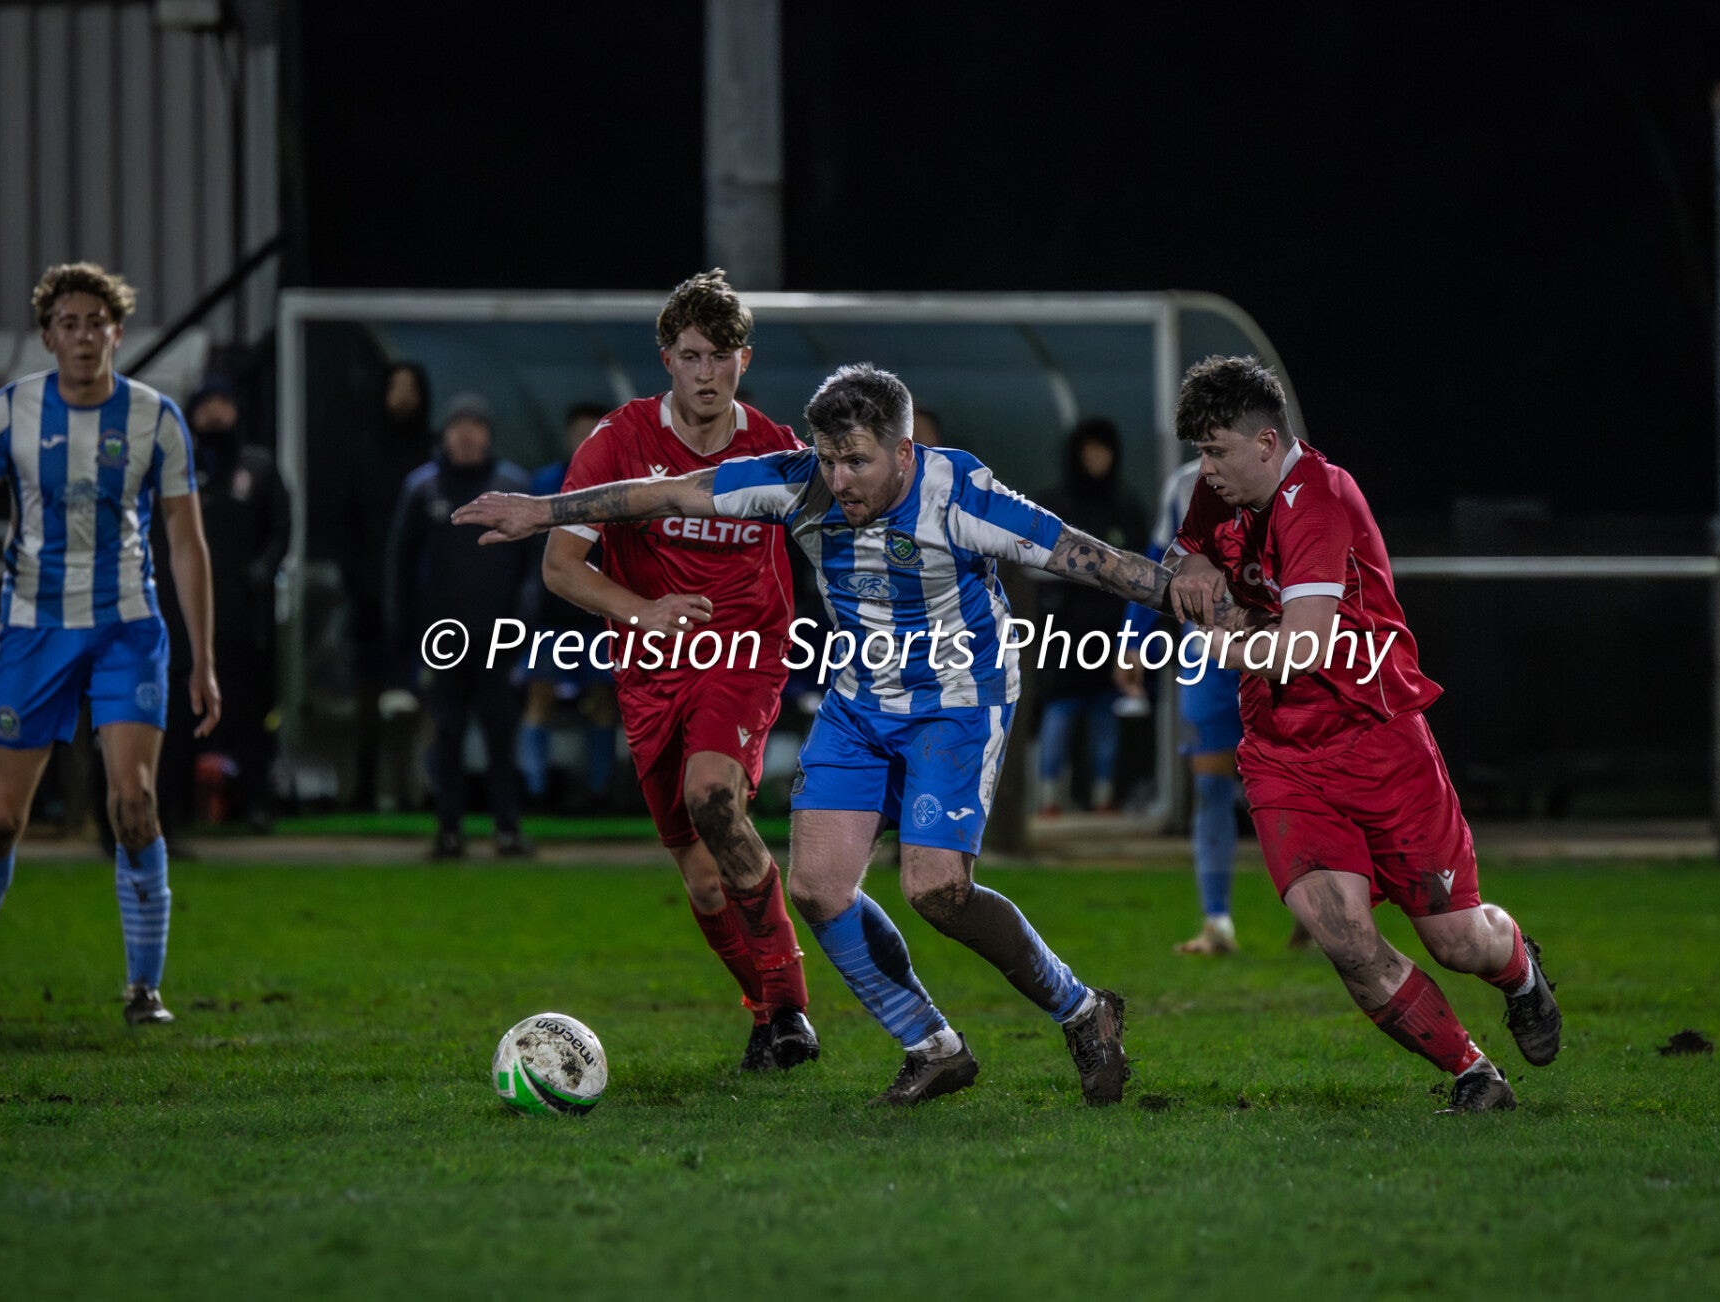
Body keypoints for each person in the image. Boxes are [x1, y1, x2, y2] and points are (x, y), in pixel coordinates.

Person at [457, 363, 1210, 1107]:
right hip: (859, 700)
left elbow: (1086, 555)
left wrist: (1182, 593)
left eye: (858, 460)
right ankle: (933, 1046)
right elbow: (666, 492)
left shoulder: (960, 495)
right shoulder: (795, 483)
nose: (840, 478)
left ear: (904, 453)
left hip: (956, 701)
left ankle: (1083, 1012)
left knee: (937, 891)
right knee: (817, 888)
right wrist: (543, 511)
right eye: (829, 457)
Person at [1164, 355, 1562, 1114]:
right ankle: (1473, 1073)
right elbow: (1188, 553)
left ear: (1267, 442)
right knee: (1338, 931)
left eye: (1216, 452)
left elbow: (1304, 647)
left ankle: (1519, 972)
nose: (1205, 470)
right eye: (1200, 454)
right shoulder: (1223, 491)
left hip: (1379, 743)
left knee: (1457, 941)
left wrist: (1224, 640)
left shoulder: (1319, 499)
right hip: (1282, 750)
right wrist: (1191, 567)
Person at [538, 272, 818, 1073]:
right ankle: (767, 1012)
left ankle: (792, 1010)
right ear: (667, 359)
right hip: (652, 666)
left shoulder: (772, 447)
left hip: (745, 650)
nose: (707, 372)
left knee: (712, 799)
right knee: (700, 877)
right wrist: (644, 610)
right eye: (692, 355)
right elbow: (561, 568)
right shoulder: (618, 443)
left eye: (722, 355)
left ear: (744, 360)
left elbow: (833, 542)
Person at [0, 262, 221, 1026]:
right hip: (33, 631)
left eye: (95, 323)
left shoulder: (154, 417)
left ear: (116, 334)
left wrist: (203, 657)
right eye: (67, 324)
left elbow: (186, 542)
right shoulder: (11, 412)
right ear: (47, 337)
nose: (82, 336)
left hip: (127, 631)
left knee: (133, 802)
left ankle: (144, 989)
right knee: (2, 819)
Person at [386, 394, 534, 859]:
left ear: (489, 435)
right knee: (446, 733)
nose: (467, 436)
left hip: (499, 636)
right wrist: (403, 632)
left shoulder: (512, 486)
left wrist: (525, 626)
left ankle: (507, 829)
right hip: (442, 638)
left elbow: (534, 566)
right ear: (444, 434)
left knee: (501, 734)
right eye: (458, 426)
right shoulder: (423, 488)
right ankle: (449, 830)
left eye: (475, 426)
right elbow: (399, 565)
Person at [1116, 455, 1246, 953]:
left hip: (1280, 652)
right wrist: (1131, 639)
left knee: (1297, 785)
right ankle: (1218, 922)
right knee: (1211, 786)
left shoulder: (1292, 476)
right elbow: (1156, 565)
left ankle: (1323, 910)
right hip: (1208, 656)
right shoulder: (1185, 484)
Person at [156, 376, 290, 834]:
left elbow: (281, 530)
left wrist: (259, 575)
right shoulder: (175, 466)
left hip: (241, 615)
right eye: (206, 405)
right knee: (178, 715)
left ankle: (256, 805)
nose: (215, 413)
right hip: (181, 617)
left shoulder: (258, 466)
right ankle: (174, 811)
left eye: (223, 403)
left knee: (251, 713)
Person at [1035, 418, 1147, 814]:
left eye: (1103, 450)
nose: (1096, 459)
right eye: (1089, 450)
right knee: (1059, 713)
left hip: (1112, 634)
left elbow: (1143, 571)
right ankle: (1049, 798)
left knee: (1106, 715)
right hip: (1062, 634)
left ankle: (1104, 795)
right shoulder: (1054, 506)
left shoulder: (1126, 507)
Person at [517, 402, 616, 810]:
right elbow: (527, 558)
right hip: (550, 619)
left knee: (603, 702)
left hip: (602, 620)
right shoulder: (544, 483)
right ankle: (533, 790)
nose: (586, 441)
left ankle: (599, 792)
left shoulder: (626, 487)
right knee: (538, 698)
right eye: (580, 432)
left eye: (595, 433)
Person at [347, 361, 436, 811]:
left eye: (410, 387)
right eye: (394, 386)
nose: (402, 396)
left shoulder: (432, 456)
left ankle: (416, 788)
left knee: (421, 696)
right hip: (368, 595)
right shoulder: (363, 452)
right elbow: (347, 525)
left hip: (421, 599)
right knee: (368, 694)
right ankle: (364, 785)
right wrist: (358, 584)